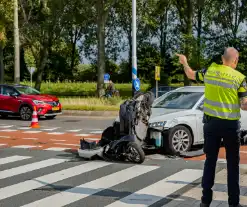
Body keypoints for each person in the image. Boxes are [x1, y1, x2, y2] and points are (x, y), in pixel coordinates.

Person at [176, 47, 247, 207]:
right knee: (232, 164)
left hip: (210, 125)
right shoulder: (240, 78)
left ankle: (205, 201)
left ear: (222, 59)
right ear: (235, 60)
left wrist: (184, 62)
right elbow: (244, 106)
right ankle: (233, 203)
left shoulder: (210, 70)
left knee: (210, 161)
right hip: (230, 126)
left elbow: (190, 74)